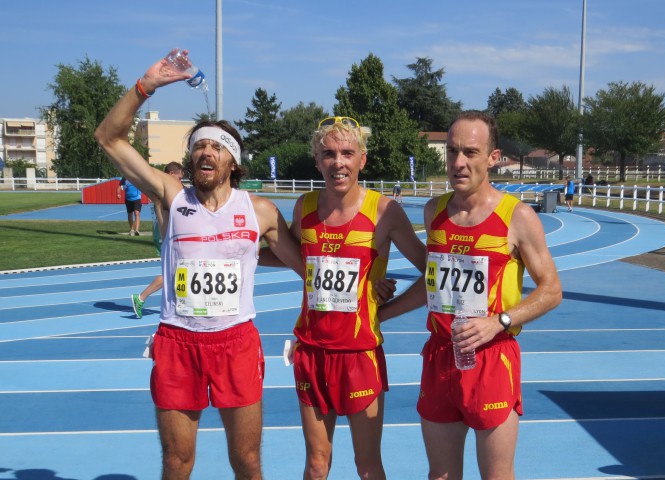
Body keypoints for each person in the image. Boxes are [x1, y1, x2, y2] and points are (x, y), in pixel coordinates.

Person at [95, 52, 303, 480]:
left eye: (216, 146)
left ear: (233, 161)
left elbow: (306, 266)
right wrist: (146, 85)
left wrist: (367, 285)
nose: (205, 152)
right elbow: (109, 138)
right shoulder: (172, 197)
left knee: (246, 461)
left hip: (237, 343)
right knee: (177, 461)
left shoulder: (259, 211)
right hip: (178, 341)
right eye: (198, 146)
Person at [384, 110, 562, 479]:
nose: (459, 163)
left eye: (470, 152)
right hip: (440, 355)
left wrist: (500, 322)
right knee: (441, 475)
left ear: (493, 159)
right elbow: (435, 286)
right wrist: (378, 314)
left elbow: (551, 290)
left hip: (492, 358)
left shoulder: (518, 216)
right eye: (452, 152)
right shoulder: (435, 212)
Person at [284, 116, 426, 479]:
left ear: (362, 159)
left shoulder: (384, 212)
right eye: (328, 153)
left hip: (359, 353)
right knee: (316, 465)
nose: (338, 162)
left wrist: (385, 309)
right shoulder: (305, 208)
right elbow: (287, 254)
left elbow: (434, 272)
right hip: (312, 351)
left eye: (347, 152)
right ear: (317, 160)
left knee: (367, 466)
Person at [131, 161, 184, 319]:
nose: (180, 182)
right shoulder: (162, 192)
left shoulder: (164, 191)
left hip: (166, 236)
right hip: (166, 237)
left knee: (178, 273)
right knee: (172, 274)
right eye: (179, 178)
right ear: (171, 175)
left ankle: (177, 306)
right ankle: (141, 297)